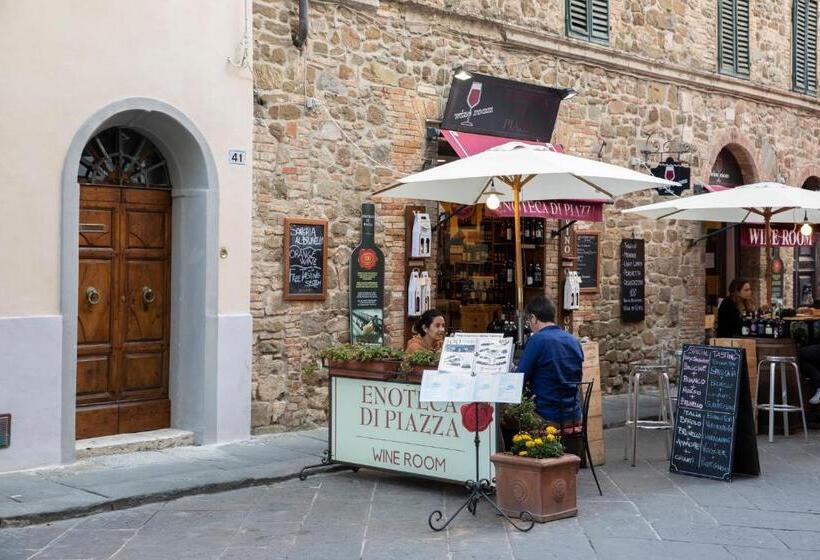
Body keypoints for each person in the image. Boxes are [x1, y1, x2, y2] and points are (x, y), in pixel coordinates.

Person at [516, 296, 584, 425]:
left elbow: (519, 378)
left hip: (546, 416)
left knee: (505, 418)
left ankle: (526, 445)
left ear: (533, 318)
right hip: (574, 415)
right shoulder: (573, 340)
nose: (529, 325)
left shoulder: (537, 340)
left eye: (528, 321)